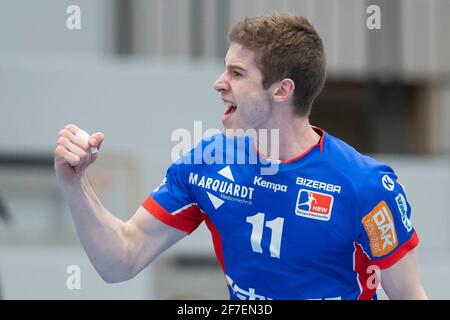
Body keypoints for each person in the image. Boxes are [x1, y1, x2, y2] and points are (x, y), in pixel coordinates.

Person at [54, 14, 427, 300]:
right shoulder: (206, 163)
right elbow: (121, 259)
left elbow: (409, 295)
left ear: (282, 90)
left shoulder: (365, 187)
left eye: (236, 73)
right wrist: (74, 183)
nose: (219, 82)